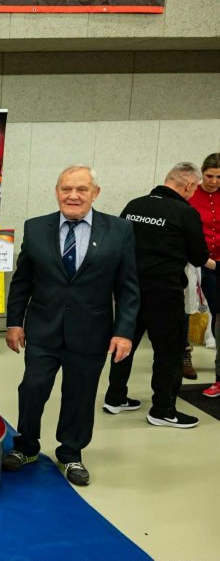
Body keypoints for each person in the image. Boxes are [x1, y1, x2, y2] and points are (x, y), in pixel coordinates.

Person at [3, 166, 139, 487]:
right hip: (43, 328)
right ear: (57, 192)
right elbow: (22, 282)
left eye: (81, 189)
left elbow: (128, 287)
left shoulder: (119, 230)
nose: (73, 196)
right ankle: (26, 446)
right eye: (66, 189)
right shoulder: (36, 227)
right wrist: (14, 323)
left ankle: (70, 453)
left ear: (95, 193)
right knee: (33, 388)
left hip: (91, 331)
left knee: (80, 394)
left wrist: (124, 332)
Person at [103, 163, 213, 428]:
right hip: (164, 293)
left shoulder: (134, 205)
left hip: (130, 290)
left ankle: (115, 397)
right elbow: (199, 256)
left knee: (125, 343)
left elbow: (118, 243)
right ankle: (163, 409)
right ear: (189, 185)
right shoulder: (185, 212)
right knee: (168, 351)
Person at [188, 153, 220, 397]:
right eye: (209, 176)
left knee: (218, 315)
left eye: (219, 177)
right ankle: (183, 354)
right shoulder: (191, 195)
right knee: (188, 310)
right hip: (198, 263)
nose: (214, 181)